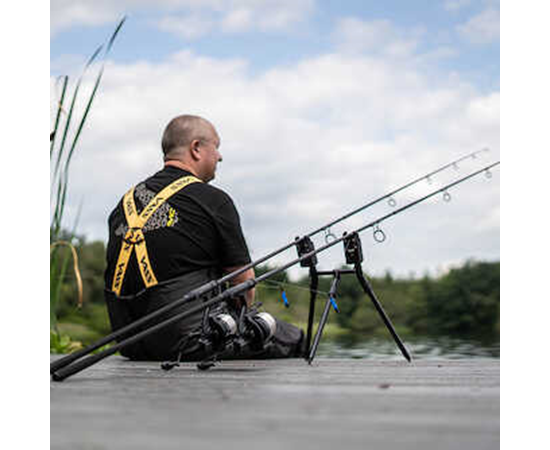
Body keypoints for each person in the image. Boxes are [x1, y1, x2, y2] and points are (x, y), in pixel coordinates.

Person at [104, 115, 304, 362]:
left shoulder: (124, 204)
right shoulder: (213, 200)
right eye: (216, 147)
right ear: (196, 148)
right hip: (192, 342)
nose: (220, 156)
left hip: (130, 344)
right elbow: (244, 285)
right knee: (293, 338)